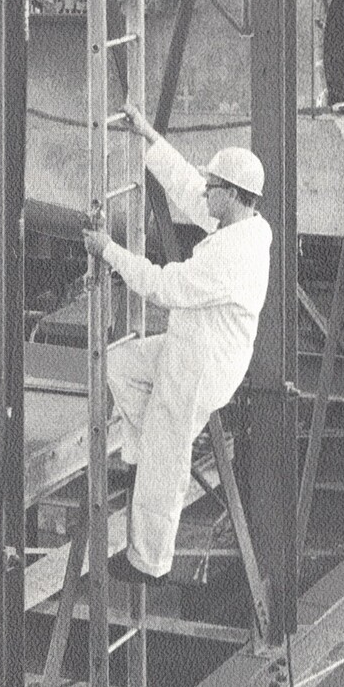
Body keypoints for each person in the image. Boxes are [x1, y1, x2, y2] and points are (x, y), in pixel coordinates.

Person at [82, 102, 271, 586]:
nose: (205, 194)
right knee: (120, 366)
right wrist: (148, 135)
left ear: (231, 194)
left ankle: (149, 563)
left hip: (202, 367)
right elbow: (188, 187)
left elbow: (163, 287)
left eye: (214, 189)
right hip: (191, 348)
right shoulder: (241, 225)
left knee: (168, 459)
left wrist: (108, 251)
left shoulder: (232, 256)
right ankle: (142, 455)